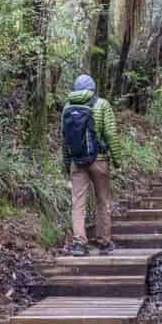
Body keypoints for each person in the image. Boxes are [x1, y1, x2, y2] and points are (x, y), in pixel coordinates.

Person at [60, 74, 122, 256]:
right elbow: (110, 134)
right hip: (99, 160)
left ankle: (79, 244)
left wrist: (67, 164)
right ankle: (104, 241)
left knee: (78, 203)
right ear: (93, 89)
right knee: (103, 201)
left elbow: (64, 139)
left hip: (77, 161)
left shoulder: (67, 107)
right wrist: (117, 161)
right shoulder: (102, 104)